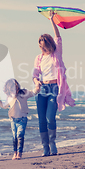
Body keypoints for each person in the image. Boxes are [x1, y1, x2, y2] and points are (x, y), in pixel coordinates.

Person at [32, 11, 75, 156]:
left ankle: (52, 142)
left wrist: (51, 20)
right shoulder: (38, 58)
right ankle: (45, 147)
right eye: (40, 47)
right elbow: (35, 73)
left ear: (49, 45)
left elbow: (58, 37)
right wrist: (36, 81)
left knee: (50, 117)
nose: (42, 49)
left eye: (44, 46)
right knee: (41, 119)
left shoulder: (56, 54)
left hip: (54, 88)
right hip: (42, 89)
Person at [0, 79, 40, 160]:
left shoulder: (23, 93)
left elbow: (33, 92)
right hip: (13, 120)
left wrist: (37, 87)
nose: (15, 90)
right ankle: (15, 153)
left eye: (16, 88)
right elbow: (4, 106)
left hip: (22, 119)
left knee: (20, 135)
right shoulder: (9, 97)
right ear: (8, 89)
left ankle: (19, 153)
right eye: (12, 89)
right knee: (14, 137)